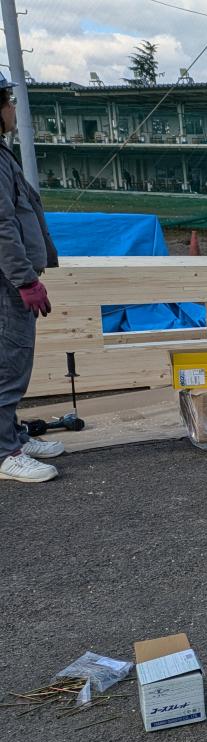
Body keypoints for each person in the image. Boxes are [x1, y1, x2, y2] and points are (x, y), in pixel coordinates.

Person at [0, 75, 62, 483]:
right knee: (8, 364)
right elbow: (2, 225)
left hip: (11, 279)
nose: (12, 110)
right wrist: (24, 280)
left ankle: (13, 438)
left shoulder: (2, 155)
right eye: (7, 102)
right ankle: (4, 451)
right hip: (7, 282)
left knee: (14, 361)